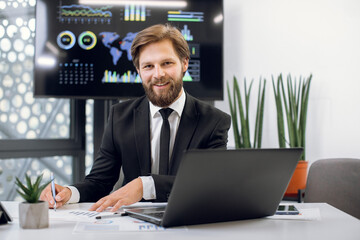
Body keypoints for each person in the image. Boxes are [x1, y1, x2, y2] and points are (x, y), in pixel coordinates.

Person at [40, 24, 231, 212]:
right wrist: (69, 192)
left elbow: (210, 183)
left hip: (189, 221)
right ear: (139, 71)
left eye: (167, 63)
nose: (158, 74)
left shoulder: (214, 121)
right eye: (148, 66)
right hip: (134, 224)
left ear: (184, 64)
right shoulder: (119, 117)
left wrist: (145, 185)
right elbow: (100, 181)